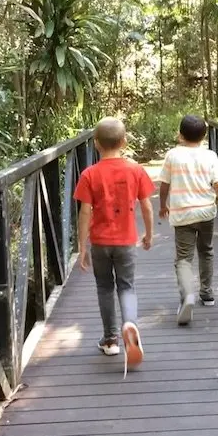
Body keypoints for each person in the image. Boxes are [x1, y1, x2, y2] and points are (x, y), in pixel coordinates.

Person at [74, 117, 155, 374]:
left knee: (104, 287)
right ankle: (129, 324)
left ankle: (110, 340)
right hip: (125, 241)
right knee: (127, 286)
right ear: (125, 141)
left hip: (100, 242)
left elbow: (85, 211)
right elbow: (146, 204)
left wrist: (82, 246)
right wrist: (149, 234)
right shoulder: (135, 170)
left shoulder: (89, 174)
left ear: (96, 144)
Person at [157, 115, 218, 326]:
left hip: (182, 214)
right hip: (206, 213)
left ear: (180, 135)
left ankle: (187, 295)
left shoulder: (172, 155)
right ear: (204, 136)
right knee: (206, 250)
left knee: (183, 258)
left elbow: (164, 184)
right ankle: (207, 293)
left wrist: (163, 205)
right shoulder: (210, 156)